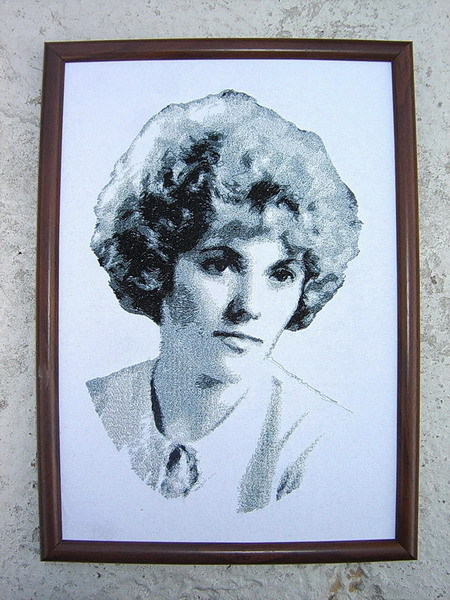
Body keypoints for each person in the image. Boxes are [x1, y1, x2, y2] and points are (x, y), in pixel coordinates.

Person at [86, 90, 361, 513]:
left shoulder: (320, 443)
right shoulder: (92, 410)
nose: (248, 306)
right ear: (155, 263)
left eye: (281, 275)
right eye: (218, 265)